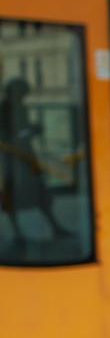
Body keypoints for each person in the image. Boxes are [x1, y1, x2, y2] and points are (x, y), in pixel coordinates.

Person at [0, 77, 71, 243]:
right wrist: (29, 131)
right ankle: (21, 232)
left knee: (37, 192)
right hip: (14, 158)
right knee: (15, 193)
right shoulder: (5, 109)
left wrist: (29, 131)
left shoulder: (17, 107)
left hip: (24, 157)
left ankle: (52, 227)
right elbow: (9, 135)